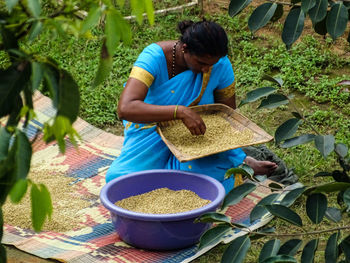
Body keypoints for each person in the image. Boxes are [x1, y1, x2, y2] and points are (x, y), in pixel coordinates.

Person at [106, 20, 277, 193]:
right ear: (185, 48)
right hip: (153, 129)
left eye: (211, 65)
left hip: (196, 135)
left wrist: (230, 152)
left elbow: (227, 117)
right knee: (120, 182)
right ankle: (238, 165)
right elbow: (125, 108)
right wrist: (179, 112)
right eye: (201, 63)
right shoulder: (154, 57)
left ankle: (242, 164)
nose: (206, 69)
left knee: (193, 183)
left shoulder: (219, 64)